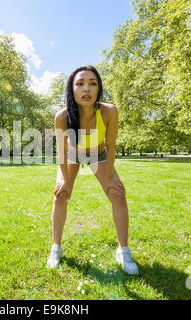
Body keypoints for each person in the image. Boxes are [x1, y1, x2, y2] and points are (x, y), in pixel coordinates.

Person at [46, 65, 139, 275]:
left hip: (99, 155)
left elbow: (112, 145)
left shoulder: (109, 111)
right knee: (60, 194)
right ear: (72, 89)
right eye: (80, 83)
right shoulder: (62, 116)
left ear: (99, 88)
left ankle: (123, 250)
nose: (86, 88)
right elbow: (61, 153)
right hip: (72, 155)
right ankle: (56, 248)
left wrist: (109, 179)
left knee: (117, 192)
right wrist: (65, 182)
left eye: (92, 83)